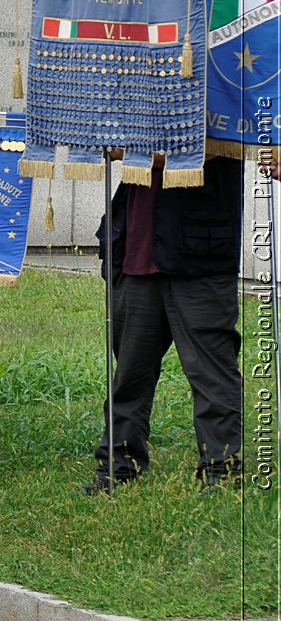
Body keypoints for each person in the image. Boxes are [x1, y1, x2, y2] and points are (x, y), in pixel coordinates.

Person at [86, 154, 243, 494]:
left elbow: (225, 146)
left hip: (201, 255)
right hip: (136, 253)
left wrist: (146, 150)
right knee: (129, 374)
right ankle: (119, 465)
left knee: (212, 374)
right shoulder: (135, 101)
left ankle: (223, 470)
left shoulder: (230, 101)